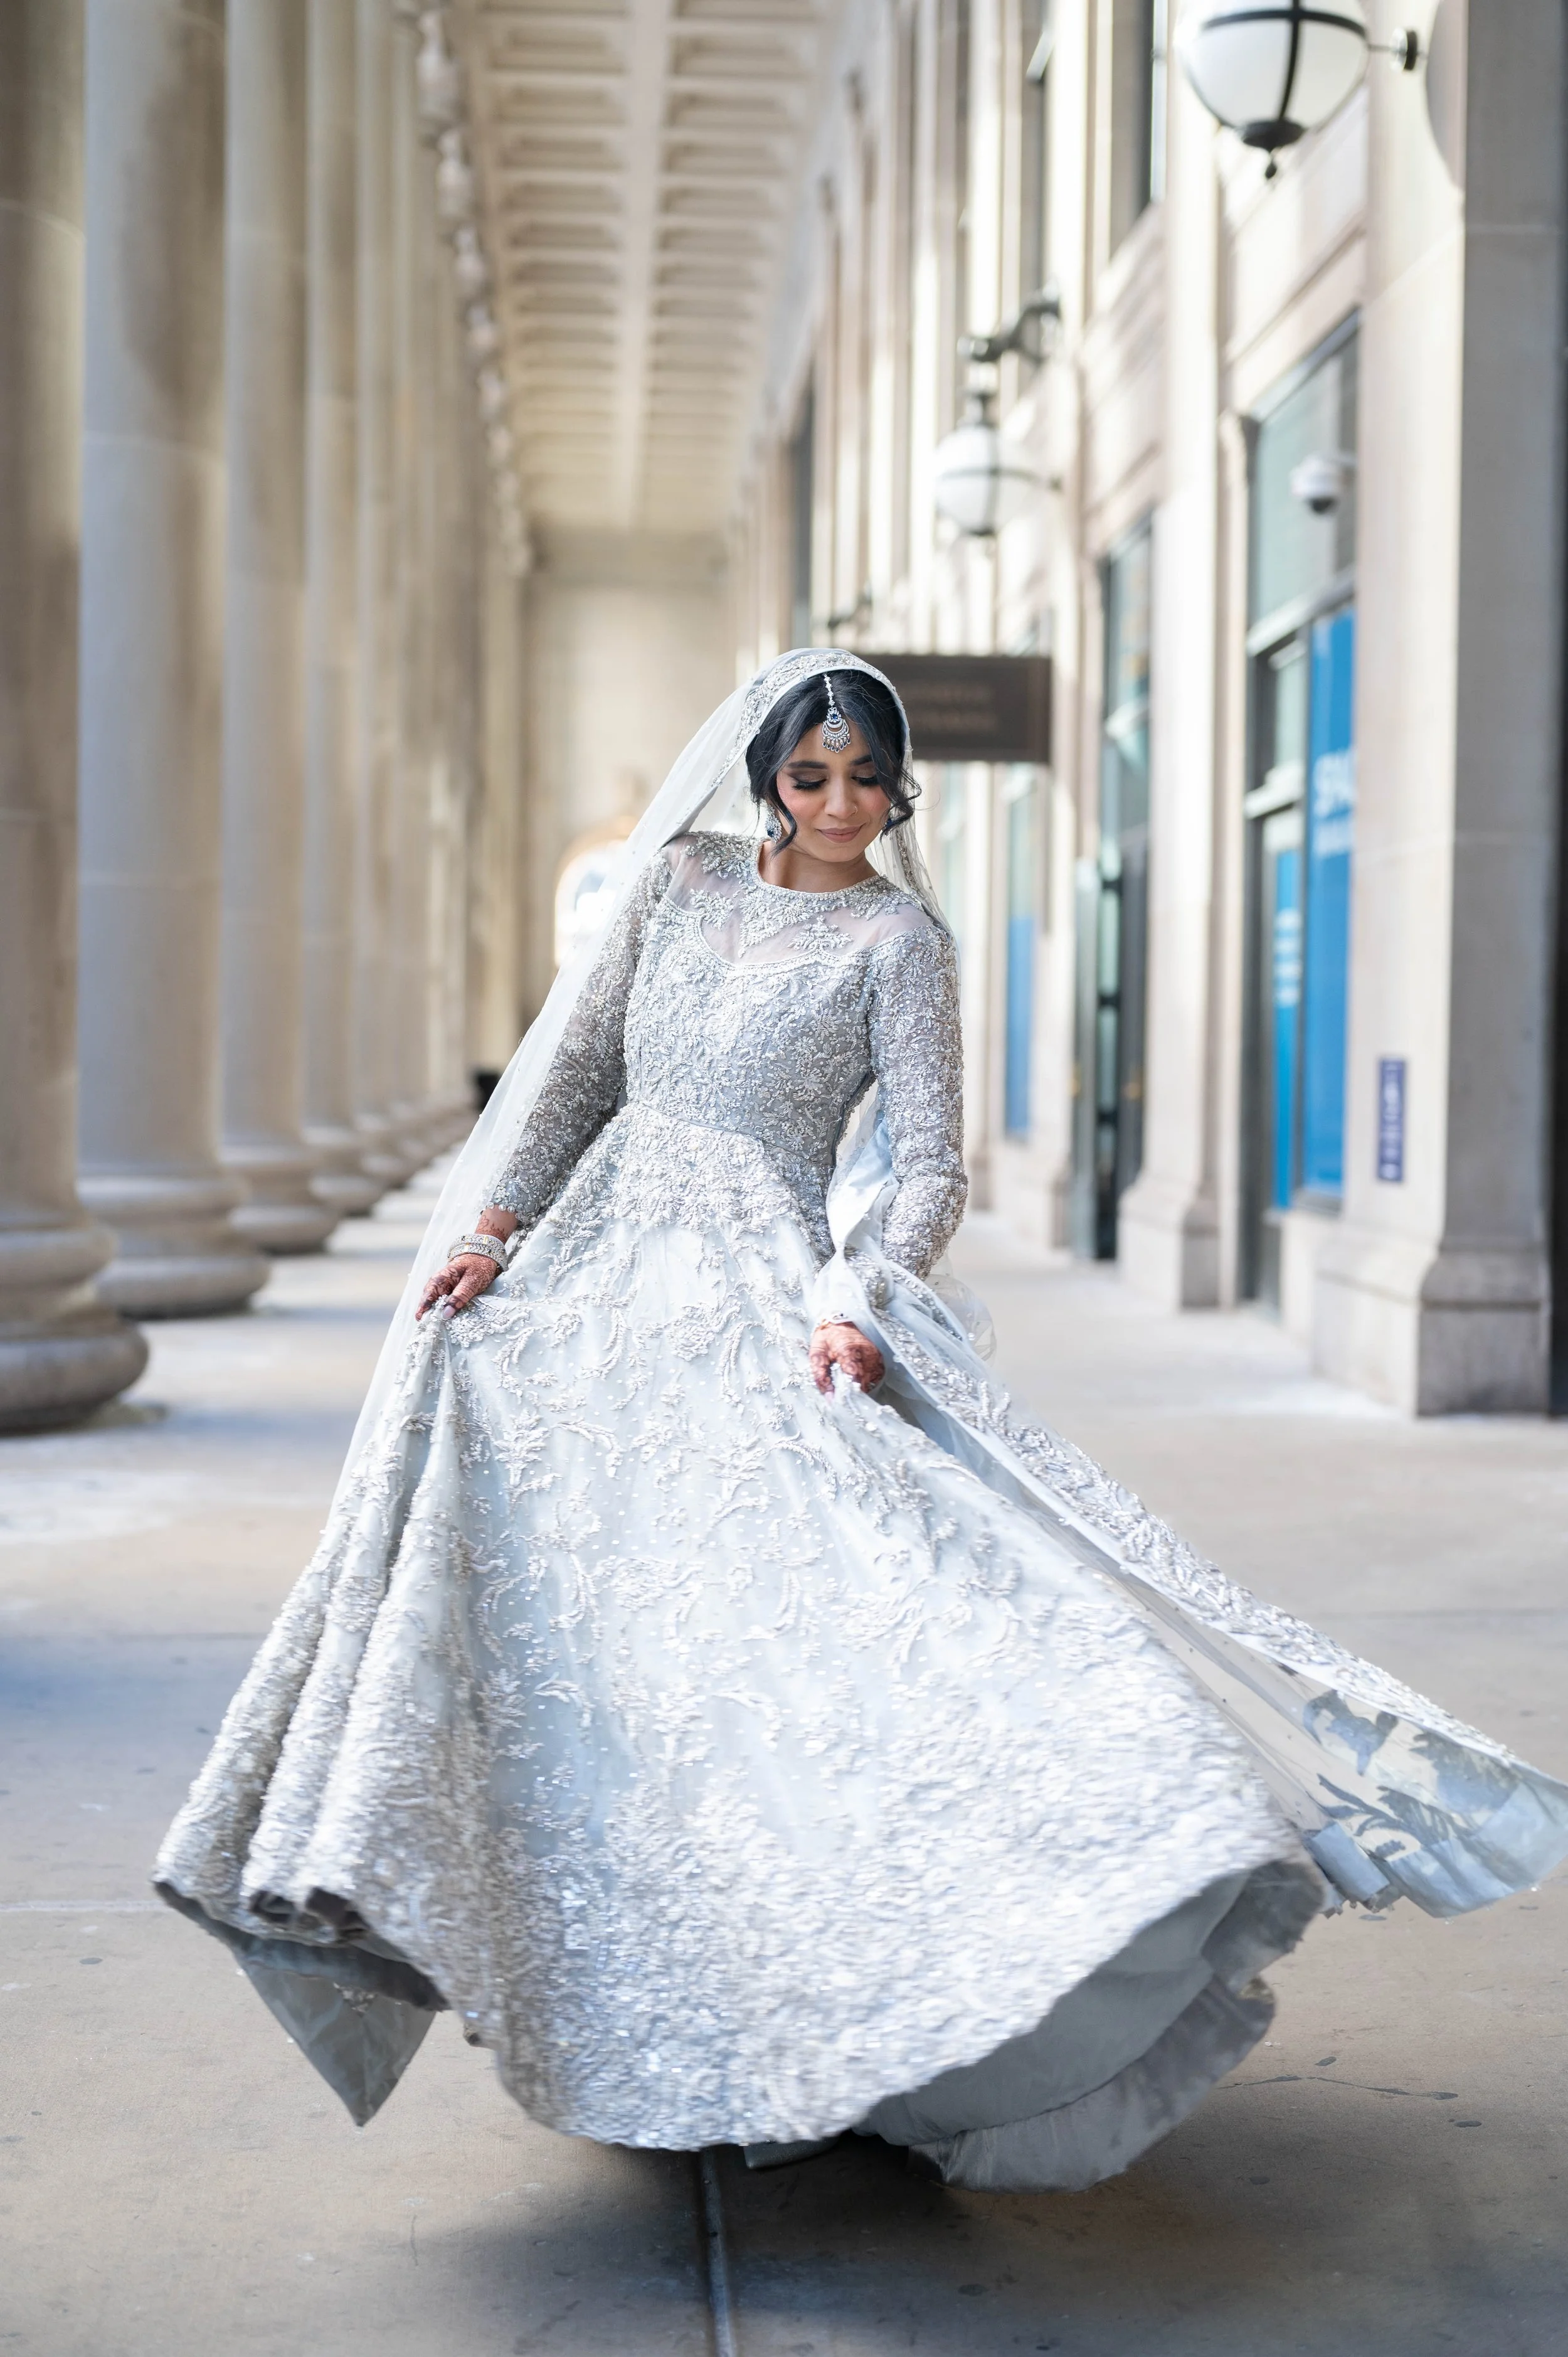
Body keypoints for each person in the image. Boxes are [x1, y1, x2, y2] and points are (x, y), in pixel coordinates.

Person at [157, 651, 1568, 2191]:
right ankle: (625, 1994)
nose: (838, 804)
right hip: (595, 1291)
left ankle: (839, 2005)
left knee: (798, 1649)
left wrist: (857, 1289)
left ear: (900, 786)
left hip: (770, 1297)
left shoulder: (901, 940)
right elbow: (569, 1083)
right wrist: (491, 1231)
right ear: (766, 772)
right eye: (810, 773)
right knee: (598, 1652)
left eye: (865, 777)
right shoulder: (677, 890)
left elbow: (927, 1167)